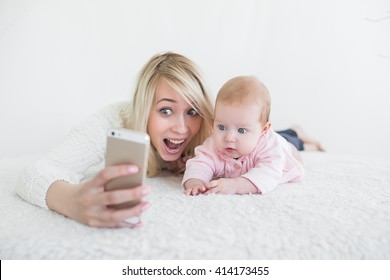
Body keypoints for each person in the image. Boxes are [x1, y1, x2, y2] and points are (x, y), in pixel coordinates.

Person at [17, 52, 214, 228]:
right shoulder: (115, 120)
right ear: (144, 107)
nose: (181, 128)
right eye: (166, 110)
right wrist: (74, 202)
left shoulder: (213, 128)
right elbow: (35, 172)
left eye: (193, 111)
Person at [182, 76, 306, 196]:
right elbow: (201, 163)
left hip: (287, 149)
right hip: (259, 136)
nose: (229, 138)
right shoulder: (213, 144)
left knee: (295, 142)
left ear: (263, 130)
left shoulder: (271, 148)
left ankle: (297, 132)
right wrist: (195, 182)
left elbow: (266, 176)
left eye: (241, 130)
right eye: (222, 127)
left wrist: (235, 185)